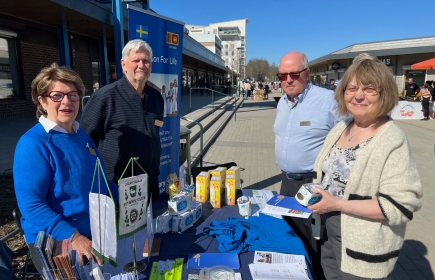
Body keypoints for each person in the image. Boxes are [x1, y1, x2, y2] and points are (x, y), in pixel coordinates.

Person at [308, 58, 422, 279]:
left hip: (363, 247)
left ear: (384, 94)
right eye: (352, 88)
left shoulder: (391, 139)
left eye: (369, 89)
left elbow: (401, 205)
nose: (358, 95)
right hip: (329, 232)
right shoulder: (342, 126)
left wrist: (338, 204)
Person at [13, 63, 119, 274]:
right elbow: (32, 206)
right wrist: (74, 237)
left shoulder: (80, 135)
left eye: (73, 95)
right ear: (42, 101)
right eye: (57, 96)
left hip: (94, 231)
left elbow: (100, 181)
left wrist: (125, 201)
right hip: (58, 240)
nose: (66, 102)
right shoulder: (33, 144)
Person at [274, 51, 342, 280]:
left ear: (307, 73)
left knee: (318, 246)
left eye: (294, 74)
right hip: (286, 183)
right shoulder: (282, 103)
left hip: (313, 185)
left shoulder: (328, 101)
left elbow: (352, 135)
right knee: (292, 240)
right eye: (282, 75)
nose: (288, 80)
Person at [81, 39, 164, 200]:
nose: (141, 65)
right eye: (136, 60)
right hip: (117, 188)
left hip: (150, 184)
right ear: (123, 64)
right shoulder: (105, 98)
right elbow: (85, 142)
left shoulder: (156, 97)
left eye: (146, 61)